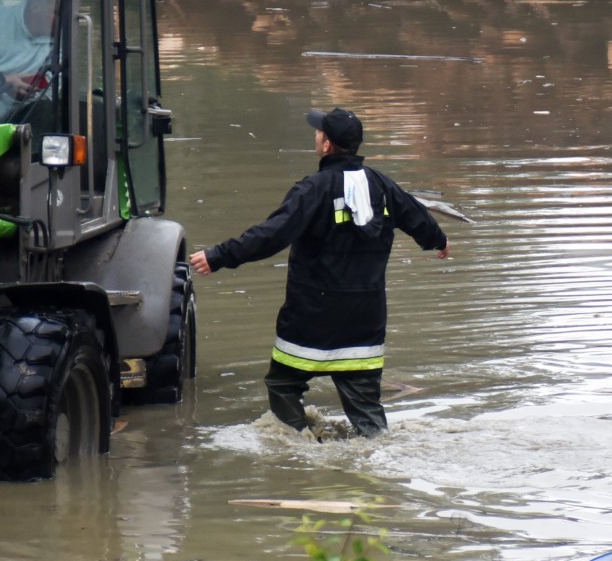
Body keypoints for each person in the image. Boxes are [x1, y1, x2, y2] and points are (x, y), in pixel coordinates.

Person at [189, 108, 450, 437]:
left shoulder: (312, 189)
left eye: (318, 133)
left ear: (327, 145)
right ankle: (374, 465)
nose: (315, 136)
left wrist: (218, 256)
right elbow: (418, 219)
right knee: (366, 409)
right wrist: (439, 241)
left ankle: (304, 445)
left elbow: (272, 234)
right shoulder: (383, 185)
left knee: (283, 384)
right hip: (365, 321)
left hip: (311, 316)